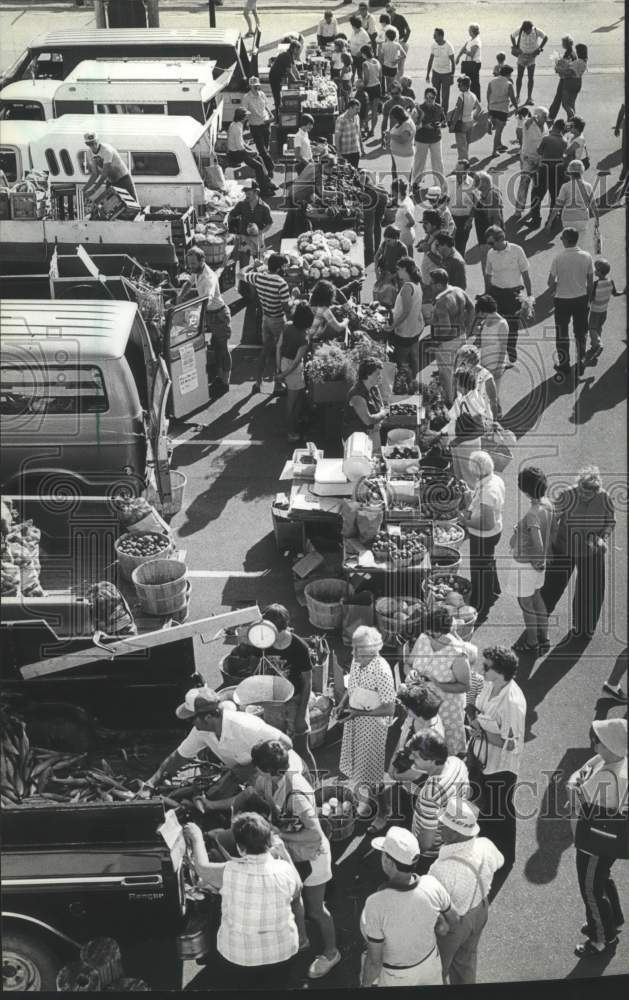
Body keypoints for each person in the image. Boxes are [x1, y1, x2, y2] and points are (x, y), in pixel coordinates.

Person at [249, 741, 340, 979]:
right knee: (294, 899)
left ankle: (332, 952)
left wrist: (280, 833)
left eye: (258, 766)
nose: (255, 770)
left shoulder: (297, 792)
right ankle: (302, 940)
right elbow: (259, 793)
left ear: (268, 769)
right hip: (294, 853)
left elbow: (316, 834)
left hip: (313, 857)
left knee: (316, 909)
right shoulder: (272, 779)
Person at [183, 813, 304, 988]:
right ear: (269, 841)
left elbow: (202, 867)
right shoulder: (285, 869)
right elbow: (298, 886)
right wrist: (284, 852)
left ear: (240, 848)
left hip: (239, 959)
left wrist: (196, 837)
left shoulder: (230, 871)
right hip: (283, 953)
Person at [143, 686, 298, 796]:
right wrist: (151, 783)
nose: (191, 724)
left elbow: (287, 743)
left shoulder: (245, 726)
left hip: (281, 776)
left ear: (208, 717)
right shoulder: (201, 730)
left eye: (191, 720)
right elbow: (179, 756)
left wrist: (249, 768)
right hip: (251, 777)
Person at [360, 827, 458, 987]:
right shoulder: (432, 884)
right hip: (430, 964)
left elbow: (374, 962)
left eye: (383, 853)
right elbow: (453, 920)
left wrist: (364, 986)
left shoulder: (375, 903)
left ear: (388, 862)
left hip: (397, 977)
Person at [566, 719, 627, 956]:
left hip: (594, 841)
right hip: (610, 839)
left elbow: (575, 794)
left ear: (609, 747)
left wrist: (574, 783)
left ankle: (602, 938)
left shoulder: (605, 775)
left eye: (597, 742)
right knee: (602, 878)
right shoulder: (617, 761)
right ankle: (614, 919)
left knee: (590, 890)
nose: (593, 746)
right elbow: (584, 771)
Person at [468, 645, 526, 894]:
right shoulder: (490, 684)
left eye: (487, 666)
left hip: (501, 765)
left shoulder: (512, 702)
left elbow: (511, 744)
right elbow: (477, 707)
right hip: (483, 757)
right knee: (487, 806)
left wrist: (483, 731)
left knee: (500, 810)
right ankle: (488, 851)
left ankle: (504, 857)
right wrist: (473, 717)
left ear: (501, 672)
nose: (482, 668)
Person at [429, 798, 505, 984]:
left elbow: (433, 907)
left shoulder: (441, 868)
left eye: (444, 824)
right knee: (466, 963)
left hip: (453, 926)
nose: (439, 825)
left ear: (456, 833)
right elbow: (500, 861)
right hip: (480, 911)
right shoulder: (486, 845)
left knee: (437, 971)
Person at [541, 466, 616, 641]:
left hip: (592, 551)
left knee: (591, 590)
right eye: (582, 491)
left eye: (589, 494)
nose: (584, 496)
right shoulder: (567, 494)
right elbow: (552, 520)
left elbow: (611, 522)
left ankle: (585, 628)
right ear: (578, 484)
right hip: (564, 547)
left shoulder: (604, 498)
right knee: (552, 585)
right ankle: (539, 619)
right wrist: (548, 548)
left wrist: (602, 538)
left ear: (597, 490)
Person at [336, 625, 396, 822]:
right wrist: (343, 703)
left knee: (371, 769)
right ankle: (362, 800)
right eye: (353, 648)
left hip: (373, 728)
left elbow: (390, 709)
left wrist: (359, 713)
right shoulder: (356, 660)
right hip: (355, 720)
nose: (353, 654)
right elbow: (351, 686)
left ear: (372, 650)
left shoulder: (382, 671)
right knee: (357, 765)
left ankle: (383, 810)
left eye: (358, 650)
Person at [257, 603, 317, 773]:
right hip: (274, 703)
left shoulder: (299, 647)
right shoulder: (264, 643)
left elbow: (307, 682)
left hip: (295, 701)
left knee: (301, 749)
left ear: (280, 628)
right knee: (276, 748)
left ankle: (314, 784)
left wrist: (301, 714)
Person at [407, 606, 472, 757]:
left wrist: (437, 684)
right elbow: (408, 663)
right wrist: (411, 673)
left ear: (443, 631)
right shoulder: (423, 639)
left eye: (431, 633)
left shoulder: (457, 654)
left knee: (444, 751)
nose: (428, 635)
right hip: (421, 705)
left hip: (446, 710)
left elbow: (465, 685)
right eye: (427, 631)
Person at [505, 466, 555, 654]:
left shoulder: (533, 513)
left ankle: (532, 642)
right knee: (537, 598)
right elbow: (552, 532)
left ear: (525, 490)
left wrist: (537, 559)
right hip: (537, 566)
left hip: (525, 565)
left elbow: (538, 543)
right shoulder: (549, 504)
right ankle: (544, 637)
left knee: (526, 605)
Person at [406, 732, 471, 872]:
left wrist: (411, 853)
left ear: (432, 760)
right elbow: (461, 794)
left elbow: (426, 843)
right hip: (450, 843)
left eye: (416, 756)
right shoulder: (456, 763)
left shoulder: (430, 794)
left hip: (430, 855)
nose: (411, 758)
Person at [458, 450, 505, 622]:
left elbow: (487, 523)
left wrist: (465, 521)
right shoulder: (494, 479)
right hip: (494, 532)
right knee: (488, 561)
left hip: (484, 535)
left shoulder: (488, 491)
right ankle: (494, 589)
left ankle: (481, 604)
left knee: (479, 569)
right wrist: (469, 494)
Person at [178, 247, 232, 394]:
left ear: (202, 261)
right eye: (189, 264)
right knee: (216, 346)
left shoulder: (208, 278)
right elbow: (188, 283)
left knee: (222, 349)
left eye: (193, 264)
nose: (190, 267)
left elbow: (206, 300)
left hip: (219, 316)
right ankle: (220, 378)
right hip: (210, 315)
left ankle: (225, 382)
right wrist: (180, 297)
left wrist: (190, 313)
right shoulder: (196, 271)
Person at [241, 252, 291, 394]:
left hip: (266, 319)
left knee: (265, 350)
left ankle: (257, 383)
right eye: (284, 267)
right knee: (280, 352)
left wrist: (252, 265)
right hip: (278, 320)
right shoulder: (281, 284)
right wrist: (293, 298)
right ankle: (278, 384)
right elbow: (286, 307)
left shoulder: (258, 277)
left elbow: (240, 274)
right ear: (279, 267)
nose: (285, 269)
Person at [547, 226, 594, 376]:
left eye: (561, 238)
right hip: (581, 299)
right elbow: (590, 282)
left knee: (562, 333)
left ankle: (564, 364)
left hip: (562, 301)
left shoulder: (558, 258)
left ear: (566, 240)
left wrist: (557, 286)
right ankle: (581, 360)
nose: (561, 240)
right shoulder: (586, 256)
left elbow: (550, 282)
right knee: (581, 333)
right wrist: (589, 299)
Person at [484, 225, 532, 366]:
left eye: (492, 243)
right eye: (488, 244)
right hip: (496, 294)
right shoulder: (491, 253)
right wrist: (487, 295)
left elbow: (526, 274)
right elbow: (488, 274)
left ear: (501, 239)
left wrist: (529, 297)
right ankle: (501, 354)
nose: (490, 246)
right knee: (498, 326)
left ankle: (511, 347)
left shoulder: (517, 250)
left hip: (513, 295)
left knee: (512, 326)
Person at [430, 269, 475, 406]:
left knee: (446, 374)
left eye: (432, 284)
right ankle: (463, 397)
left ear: (438, 285)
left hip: (447, 341)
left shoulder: (441, 302)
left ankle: (450, 401)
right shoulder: (458, 290)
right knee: (460, 369)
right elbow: (472, 307)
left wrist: (437, 342)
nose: (430, 286)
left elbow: (446, 327)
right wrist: (468, 328)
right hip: (461, 336)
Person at [444, 365, 493, 489]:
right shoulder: (462, 397)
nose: (455, 385)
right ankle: (462, 501)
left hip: (468, 448)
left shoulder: (473, 401)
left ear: (463, 384)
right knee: (459, 476)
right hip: (458, 445)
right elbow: (452, 416)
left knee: (470, 480)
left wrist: (457, 440)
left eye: (457, 382)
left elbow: (480, 429)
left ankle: (471, 504)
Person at [277, 303, 312, 442]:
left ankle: (297, 422)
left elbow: (278, 346)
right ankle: (291, 432)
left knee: (300, 395)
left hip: (284, 362)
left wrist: (279, 368)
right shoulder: (304, 338)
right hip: (292, 369)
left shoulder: (287, 326)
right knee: (291, 402)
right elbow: (297, 362)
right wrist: (283, 375)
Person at [546, 160, 597, 250]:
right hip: (582, 218)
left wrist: (550, 221)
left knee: (569, 245)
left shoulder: (565, 186)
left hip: (568, 219)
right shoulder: (588, 186)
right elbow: (593, 205)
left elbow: (558, 206)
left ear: (569, 172)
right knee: (580, 246)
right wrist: (597, 219)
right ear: (582, 171)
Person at [341, 357, 388, 453]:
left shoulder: (374, 388)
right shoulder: (357, 395)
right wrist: (383, 414)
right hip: (356, 439)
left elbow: (381, 405)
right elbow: (368, 420)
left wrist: (378, 419)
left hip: (372, 434)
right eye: (377, 374)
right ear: (367, 375)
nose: (380, 377)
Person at [226, 109, 276, 196]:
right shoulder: (237, 128)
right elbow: (240, 147)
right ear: (243, 117)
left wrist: (252, 151)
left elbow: (242, 143)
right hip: (236, 154)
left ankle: (267, 182)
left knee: (259, 158)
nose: (248, 117)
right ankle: (264, 191)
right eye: (247, 116)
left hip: (238, 151)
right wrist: (250, 153)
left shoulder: (236, 124)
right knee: (258, 167)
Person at [391, 255, 424, 377]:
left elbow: (405, 312)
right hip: (415, 327)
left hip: (404, 330)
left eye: (399, 269)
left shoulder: (406, 288)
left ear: (405, 269)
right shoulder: (417, 283)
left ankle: (407, 382)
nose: (397, 272)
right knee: (414, 356)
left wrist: (392, 326)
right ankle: (414, 381)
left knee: (402, 359)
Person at [469, 293, 509, 393]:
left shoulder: (502, 325)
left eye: (481, 313)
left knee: (491, 396)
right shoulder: (485, 321)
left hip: (494, 365)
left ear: (485, 311)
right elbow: (479, 339)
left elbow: (503, 349)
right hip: (484, 362)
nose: (480, 316)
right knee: (481, 394)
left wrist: (498, 369)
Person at [587, 258, 625, 363]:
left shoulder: (595, 284)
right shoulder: (610, 281)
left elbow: (590, 299)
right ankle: (594, 345)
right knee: (598, 328)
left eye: (596, 269)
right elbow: (615, 293)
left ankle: (598, 344)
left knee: (591, 328)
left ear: (599, 272)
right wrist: (624, 292)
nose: (594, 270)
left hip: (595, 311)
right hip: (604, 311)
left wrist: (585, 306)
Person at [227, 180, 273, 266]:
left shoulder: (264, 207)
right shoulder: (241, 205)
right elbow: (231, 215)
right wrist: (232, 229)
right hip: (244, 237)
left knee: (260, 265)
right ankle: (243, 279)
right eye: (245, 192)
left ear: (256, 192)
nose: (246, 195)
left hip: (258, 238)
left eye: (248, 192)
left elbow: (269, 223)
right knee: (244, 266)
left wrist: (261, 232)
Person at [514, 105, 548, 218]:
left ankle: (533, 209)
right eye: (544, 117)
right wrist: (534, 117)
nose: (546, 120)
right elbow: (527, 122)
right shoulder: (528, 124)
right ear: (537, 116)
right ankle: (518, 209)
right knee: (524, 184)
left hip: (539, 159)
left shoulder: (545, 126)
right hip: (528, 158)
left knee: (537, 186)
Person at [411, 87, 447, 193]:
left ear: (435, 97)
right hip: (421, 139)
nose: (429, 99)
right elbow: (413, 125)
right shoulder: (418, 108)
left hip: (436, 138)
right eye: (427, 97)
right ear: (424, 97)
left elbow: (444, 122)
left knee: (438, 162)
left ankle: (439, 183)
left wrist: (440, 124)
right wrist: (424, 125)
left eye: (431, 97)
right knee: (419, 162)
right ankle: (416, 183)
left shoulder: (439, 108)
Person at [83, 131, 137, 200]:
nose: (93, 146)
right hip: (111, 181)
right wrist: (84, 189)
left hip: (123, 179)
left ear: (98, 141)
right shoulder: (89, 153)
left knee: (134, 205)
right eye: (90, 144)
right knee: (109, 207)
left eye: (94, 142)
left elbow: (104, 174)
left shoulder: (106, 150)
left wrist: (93, 191)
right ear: (87, 144)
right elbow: (95, 174)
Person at [455, 342, 500, 422]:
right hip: (466, 414)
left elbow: (493, 401)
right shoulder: (461, 372)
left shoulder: (487, 378)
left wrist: (494, 421)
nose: (459, 364)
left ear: (468, 361)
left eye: (461, 361)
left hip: (483, 418)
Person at [241, 77, 275, 179]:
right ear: (250, 86)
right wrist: (243, 124)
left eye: (257, 86)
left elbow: (266, 106)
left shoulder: (262, 94)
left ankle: (265, 170)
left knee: (265, 148)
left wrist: (271, 116)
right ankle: (270, 168)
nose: (256, 87)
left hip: (266, 124)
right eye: (254, 86)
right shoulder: (246, 97)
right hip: (255, 126)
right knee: (262, 150)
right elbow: (244, 111)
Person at [471, 172, 504, 276]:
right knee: (487, 266)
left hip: (489, 238)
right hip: (484, 237)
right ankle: (489, 290)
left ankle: (492, 290)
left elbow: (496, 216)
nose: (475, 184)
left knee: (490, 266)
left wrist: (494, 238)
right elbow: (477, 207)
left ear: (484, 183)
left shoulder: (492, 195)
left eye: (477, 182)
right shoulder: (484, 193)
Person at [510, 20, 548, 105]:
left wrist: (539, 48)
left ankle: (529, 98)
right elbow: (512, 36)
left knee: (531, 77)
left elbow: (545, 37)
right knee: (519, 77)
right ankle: (517, 97)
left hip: (532, 56)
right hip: (521, 55)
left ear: (531, 28)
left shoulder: (536, 31)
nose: (526, 32)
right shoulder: (520, 30)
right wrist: (516, 47)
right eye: (525, 31)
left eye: (528, 31)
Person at [486, 66, 518, 157]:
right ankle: (494, 151)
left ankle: (499, 144)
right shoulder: (508, 84)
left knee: (498, 127)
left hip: (492, 107)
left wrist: (489, 106)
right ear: (508, 74)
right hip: (502, 109)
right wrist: (516, 108)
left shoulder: (492, 82)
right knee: (498, 131)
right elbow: (512, 98)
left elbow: (488, 94)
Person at [360, 170, 389, 267]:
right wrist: (383, 191)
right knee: (377, 224)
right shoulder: (372, 173)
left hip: (373, 197)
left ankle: (369, 254)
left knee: (369, 227)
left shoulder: (362, 174)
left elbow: (364, 187)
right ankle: (377, 250)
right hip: (382, 196)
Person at [447, 159, 476, 255]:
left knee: (460, 248)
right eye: (456, 171)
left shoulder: (473, 184)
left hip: (465, 221)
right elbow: (444, 199)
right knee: (448, 247)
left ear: (467, 170)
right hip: (450, 218)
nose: (458, 174)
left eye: (461, 171)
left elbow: (476, 204)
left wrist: (470, 219)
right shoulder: (449, 181)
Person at [450, 75, 482, 161]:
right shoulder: (473, 95)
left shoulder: (461, 96)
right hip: (470, 121)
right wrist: (474, 116)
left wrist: (453, 124)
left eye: (459, 85)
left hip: (462, 122)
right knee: (466, 144)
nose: (458, 86)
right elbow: (479, 108)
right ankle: (465, 162)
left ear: (464, 86)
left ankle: (462, 165)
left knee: (461, 146)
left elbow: (457, 111)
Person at [373, 224, 406, 304]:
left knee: (394, 297)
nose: (387, 242)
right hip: (385, 273)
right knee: (377, 293)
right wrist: (376, 270)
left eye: (389, 240)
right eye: (385, 240)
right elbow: (376, 256)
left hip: (397, 276)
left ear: (396, 238)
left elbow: (404, 267)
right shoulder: (384, 244)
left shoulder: (402, 248)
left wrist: (393, 276)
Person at [269, 40, 301, 119]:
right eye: (297, 49)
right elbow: (289, 72)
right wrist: (296, 82)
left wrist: (300, 79)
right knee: (277, 97)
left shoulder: (289, 55)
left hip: (279, 76)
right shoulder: (287, 56)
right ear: (293, 49)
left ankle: (279, 112)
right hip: (275, 77)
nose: (298, 51)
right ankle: (277, 117)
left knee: (280, 95)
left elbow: (294, 69)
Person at [426, 27, 456, 114]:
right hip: (435, 73)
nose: (433, 37)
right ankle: (437, 113)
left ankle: (444, 114)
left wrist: (452, 76)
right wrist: (428, 74)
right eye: (433, 35)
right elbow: (430, 60)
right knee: (435, 94)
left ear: (441, 36)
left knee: (445, 96)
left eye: (435, 36)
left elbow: (453, 62)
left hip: (446, 74)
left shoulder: (448, 46)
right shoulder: (433, 45)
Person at [547, 36, 577, 122]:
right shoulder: (573, 53)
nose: (562, 44)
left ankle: (552, 116)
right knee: (568, 101)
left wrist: (558, 68)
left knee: (561, 99)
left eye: (563, 42)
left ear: (566, 44)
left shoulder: (568, 54)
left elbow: (565, 67)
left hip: (565, 80)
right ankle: (570, 119)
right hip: (571, 79)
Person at [380, 79, 415, 145]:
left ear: (400, 91)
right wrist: (383, 138)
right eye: (392, 94)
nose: (394, 95)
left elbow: (416, 114)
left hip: (407, 133)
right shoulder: (387, 104)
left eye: (396, 93)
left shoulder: (408, 101)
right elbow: (384, 122)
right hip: (394, 134)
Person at [387, 105, 415, 181]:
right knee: (397, 178)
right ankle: (396, 191)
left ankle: (401, 192)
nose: (393, 120)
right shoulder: (403, 122)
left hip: (403, 157)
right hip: (398, 155)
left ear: (398, 116)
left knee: (403, 180)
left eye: (394, 117)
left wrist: (390, 135)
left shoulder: (407, 124)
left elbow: (403, 139)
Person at [334, 99, 364, 168]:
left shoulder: (357, 117)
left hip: (356, 151)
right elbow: (337, 137)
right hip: (345, 153)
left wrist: (361, 148)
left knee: (354, 172)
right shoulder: (341, 119)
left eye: (359, 109)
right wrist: (338, 153)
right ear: (350, 108)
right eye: (356, 109)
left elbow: (358, 133)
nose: (358, 111)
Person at [456, 24, 482, 100]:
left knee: (474, 83)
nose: (468, 31)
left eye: (469, 30)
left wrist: (465, 52)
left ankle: (476, 100)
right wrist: (458, 57)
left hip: (474, 64)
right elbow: (463, 48)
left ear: (472, 31)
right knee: (468, 82)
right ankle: (469, 99)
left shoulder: (476, 41)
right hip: (469, 64)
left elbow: (472, 54)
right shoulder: (470, 40)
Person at [391, 176, 415, 254]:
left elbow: (412, 221)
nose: (392, 193)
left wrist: (403, 228)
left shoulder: (404, 205)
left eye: (393, 191)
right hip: (409, 235)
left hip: (403, 237)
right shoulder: (408, 199)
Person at [361, 48, 383, 136]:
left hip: (369, 88)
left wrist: (363, 86)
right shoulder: (377, 61)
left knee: (366, 109)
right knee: (374, 111)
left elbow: (366, 77)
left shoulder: (365, 64)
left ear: (364, 54)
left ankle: (366, 126)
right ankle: (372, 130)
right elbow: (380, 76)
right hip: (377, 87)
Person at [386, 2, 411, 77]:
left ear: (394, 9)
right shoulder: (387, 20)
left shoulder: (400, 18)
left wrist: (404, 41)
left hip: (401, 42)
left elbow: (408, 30)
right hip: (393, 43)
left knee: (400, 64)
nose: (389, 13)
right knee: (393, 64)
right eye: (388, 12)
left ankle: (399, 82)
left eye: (390, 11)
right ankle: (396, 81)